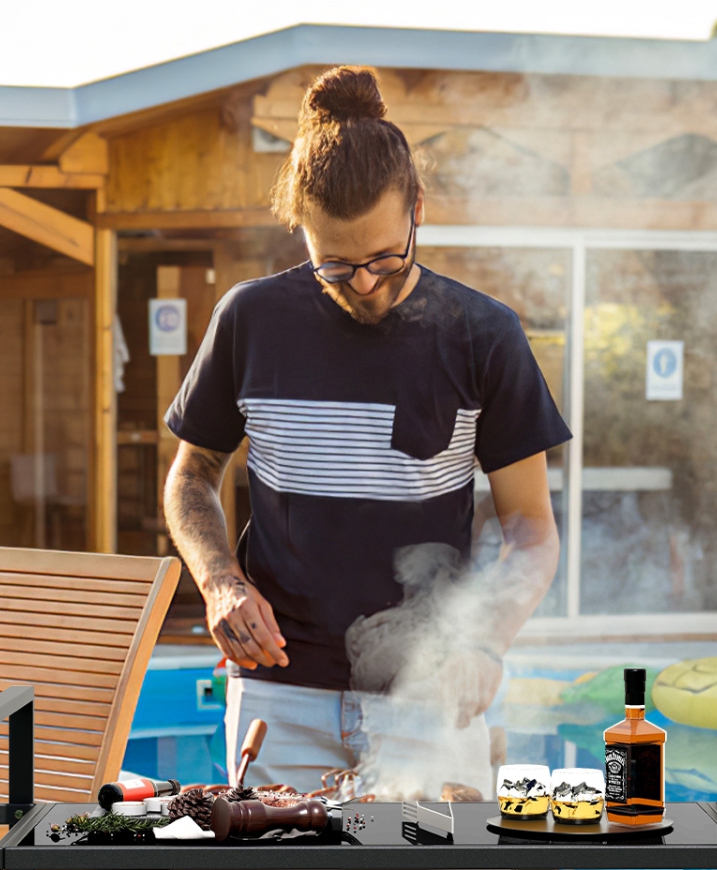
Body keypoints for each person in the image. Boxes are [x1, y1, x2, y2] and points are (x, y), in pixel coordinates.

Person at [162, 65, 568, 795]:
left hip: (430, 696)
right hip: (278, 696)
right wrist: (219, 582)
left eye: (385, 257)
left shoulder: (485, 335)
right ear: (300, 228)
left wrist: (485, 638)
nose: (366, 284)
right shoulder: (250, 321)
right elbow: (192, 475)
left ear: (418, 207)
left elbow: (532, 531)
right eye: (336, 266)